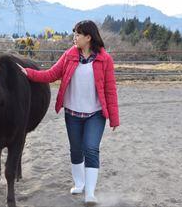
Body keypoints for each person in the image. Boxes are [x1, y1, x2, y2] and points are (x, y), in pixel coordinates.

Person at [18, 20, 119, 204]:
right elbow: (50, 74)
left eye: (77, 34)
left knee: (91, 149)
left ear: (88, 37)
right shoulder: (69, 55)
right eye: (74, 34)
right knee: (76, 149)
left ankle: (90, 193)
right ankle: (79, 183)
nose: (74, 37)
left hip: (95, 114)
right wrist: (28, 73)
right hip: (72, 113)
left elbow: (110, 90)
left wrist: (114, 118)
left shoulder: (105, 59)